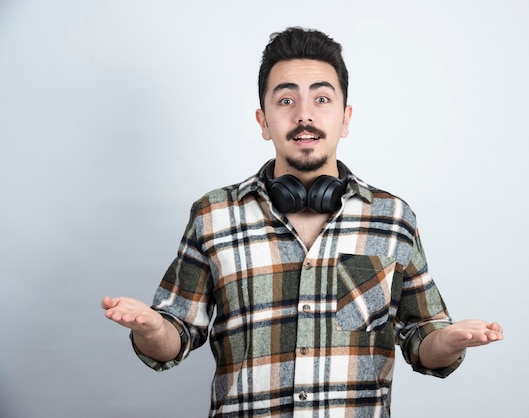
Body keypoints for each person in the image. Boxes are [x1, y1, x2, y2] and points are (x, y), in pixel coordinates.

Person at [101, 27, 503, 417]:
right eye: (286, 101)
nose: (305, 115)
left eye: (322, 99)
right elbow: (176, 335)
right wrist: (152, 330)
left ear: (345, 119)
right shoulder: (213, 215)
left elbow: (422, 338)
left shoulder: (393, 218)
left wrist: (447, 341)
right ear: (263, 120)